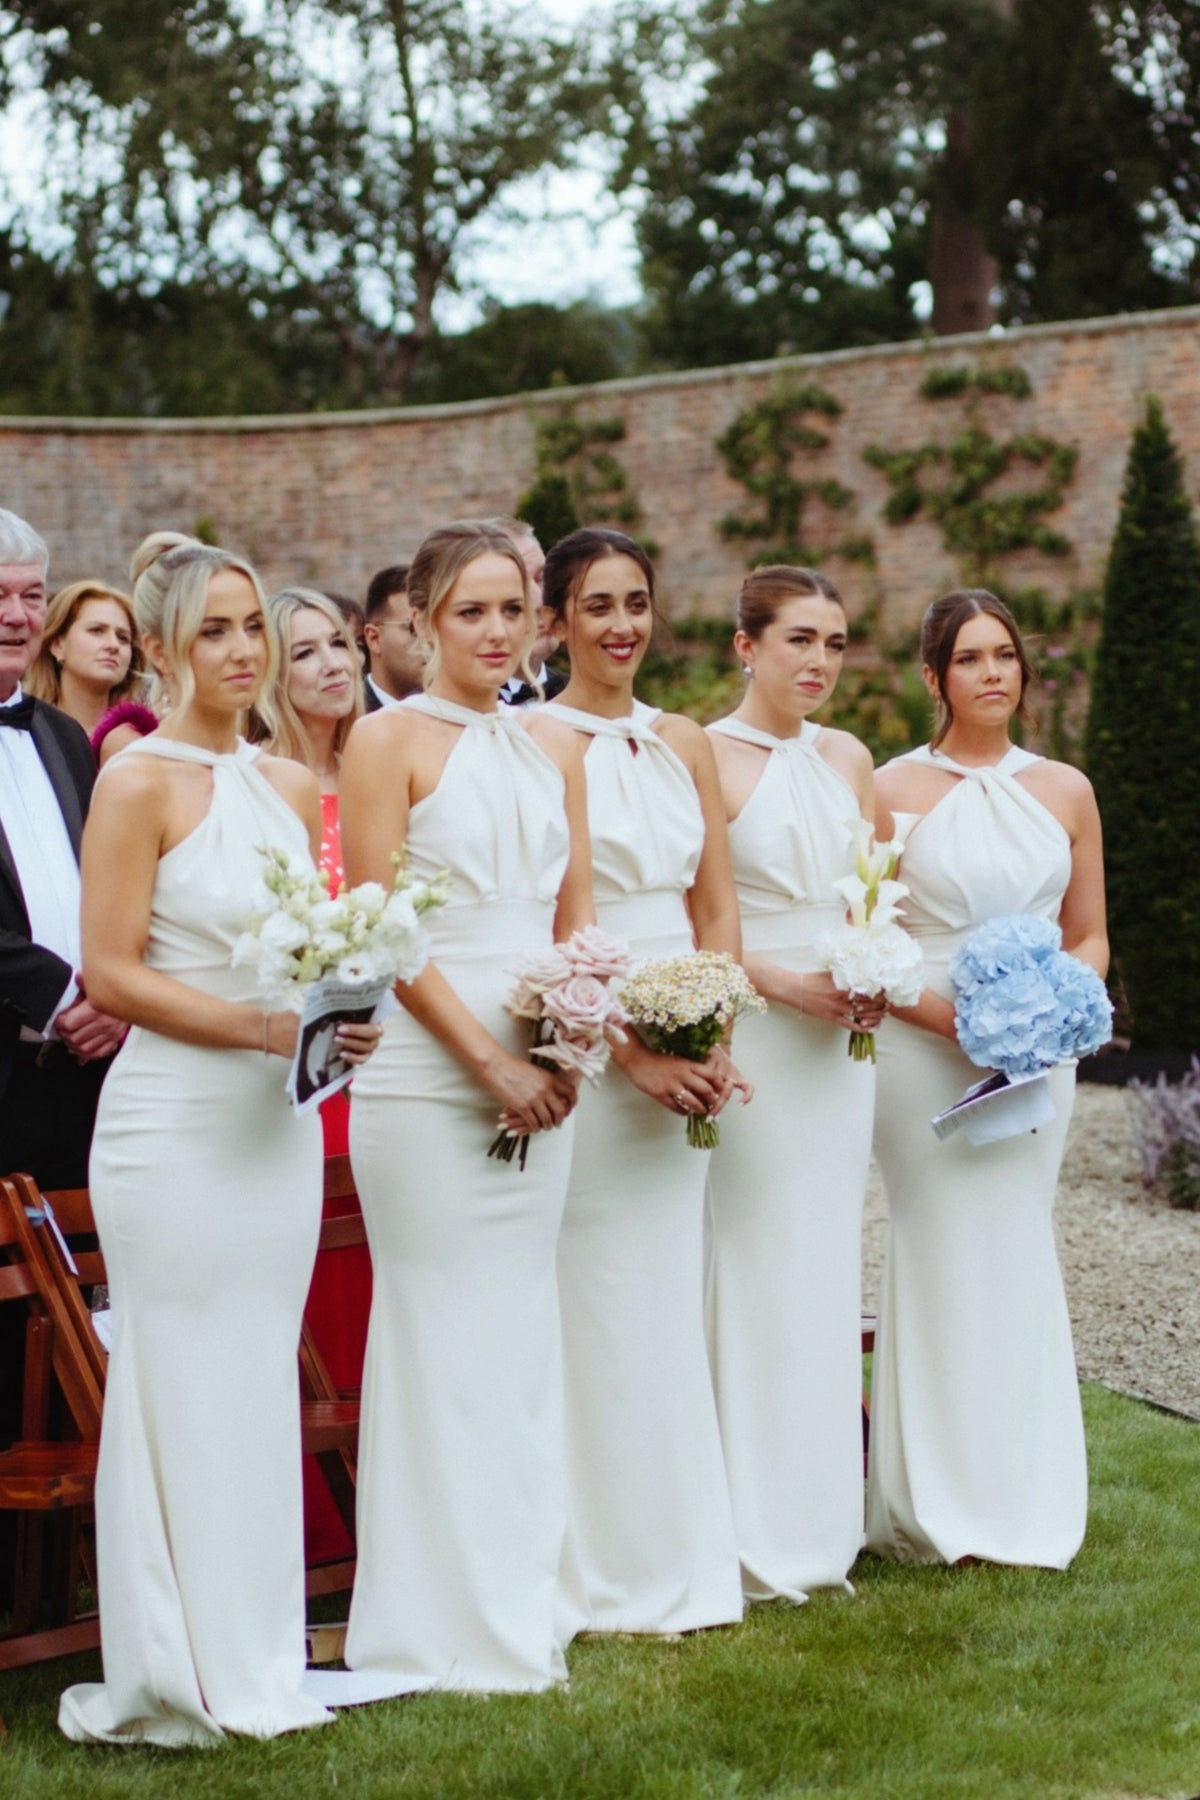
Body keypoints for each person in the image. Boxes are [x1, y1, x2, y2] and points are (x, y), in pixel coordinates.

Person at [58, 533, 380, 1746]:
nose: (244, 653)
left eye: (254, 626)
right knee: (178, 1378)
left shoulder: (291, 784)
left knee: (254, 1381)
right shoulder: (139, 780)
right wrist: (257, 1028)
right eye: (216, 631)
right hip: (173, 1126)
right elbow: (113, 972)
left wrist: (342, 1016)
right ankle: (170, 1669)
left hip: (272, 1126)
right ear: (159, 647)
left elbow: (308, 952)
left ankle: (256, 1651)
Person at [339, 519, 593, 1692]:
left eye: (513, 610)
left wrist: (573, 1040)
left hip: (546, 1069)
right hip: (427, 1074)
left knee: (521, 1337)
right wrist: (488, 1064)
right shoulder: (384, 742)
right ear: (422, 621)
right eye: (470, 612)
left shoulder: (551, 747)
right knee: (440, 1333)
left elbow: (571, 925)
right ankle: (435, 1616)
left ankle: (520, 1596)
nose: (497, 633)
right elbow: (385, 935)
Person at [865, 589, 1107, 1570]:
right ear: (934, 678)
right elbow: (871, 937)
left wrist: (1052, 1009)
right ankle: (933, 1504)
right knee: (938, 1251)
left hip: (1041, 1058)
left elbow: (1090, 935)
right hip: (924, 1049)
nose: (994, 673)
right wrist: (959, 1020)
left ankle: (1024, 1495)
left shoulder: (1067, 789)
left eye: (1005, 654)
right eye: (970, 659)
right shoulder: (885, 789)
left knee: (1015, 1249)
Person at [539, 525, 745, 1635]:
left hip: (691, 1015)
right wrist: (632, 1051)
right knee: (599, 1300)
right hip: (598, 1036)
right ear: (558, 619)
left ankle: (680, 1550)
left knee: (670, 1294)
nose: (623, 626)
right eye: (598, 605)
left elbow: (716, 900)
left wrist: (717, 1032)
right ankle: (601, 1560)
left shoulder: (682, 739)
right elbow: (566, 914)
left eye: (637, 602)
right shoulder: (540, 739)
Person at [706, 566, 880, 1603]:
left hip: (843, 1055)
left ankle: (825, 1519)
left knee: (823, 1268)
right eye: (799, 640)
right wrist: (789, 986)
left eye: (836, 643)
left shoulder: (852, 757)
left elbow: (871, 893)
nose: (819, 662)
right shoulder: (709, 758)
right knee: (754, 1262)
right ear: (745, 645)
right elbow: (700, 923)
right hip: (763, 1034)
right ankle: (745, 1517)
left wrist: (872, 971)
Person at [260, 583, 369, 1568]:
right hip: (313, 1072)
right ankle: (320, 1528)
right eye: (305, 653)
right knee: (320, 1287)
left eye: (340, 643)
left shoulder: (387, 776)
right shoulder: (261, 789)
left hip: (403, 1064)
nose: (333, 663)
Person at [24, 579, 143, 740]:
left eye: (123, 638)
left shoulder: (141, 739)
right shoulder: (24, 731)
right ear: (58, 644)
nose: (114, 645)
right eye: (96, 631)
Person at [487, 518, 568, 705]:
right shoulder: (434, 717)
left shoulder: (587, 701)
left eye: (541, 578)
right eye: (517, 583)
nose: (540, 601)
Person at [362, 563, 422, 708]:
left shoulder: (455, 714)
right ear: (374, 638)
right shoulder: (346, 719)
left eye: (435, 628)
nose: (429, 640)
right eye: (413, 628)